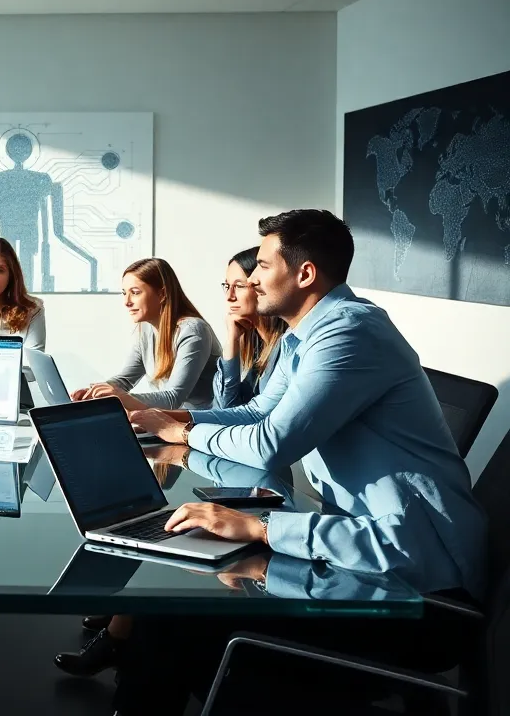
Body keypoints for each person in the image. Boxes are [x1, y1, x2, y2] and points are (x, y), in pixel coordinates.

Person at [110, 210, 487, 714]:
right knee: (175, 610)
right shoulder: (304, 336)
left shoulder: (349, 334)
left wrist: (255, 522)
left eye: (263, 266)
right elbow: (257, 412)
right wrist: (168, 418)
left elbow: (270, 443)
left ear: (305, 273)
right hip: (365, 557)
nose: (252, 280)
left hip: (418, 594)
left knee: (172, 621)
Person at [71, 257, 221, 410]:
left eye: (135, 292)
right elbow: (125, 380)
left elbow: (173, 398)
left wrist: (120, 398)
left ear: (162, 294)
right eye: (124, 293)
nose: (127, 302)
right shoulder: (146, 330)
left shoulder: (193, 330)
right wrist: (95, 393)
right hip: (169, 418)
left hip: (200, 421)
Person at [213, 247, 287, 408]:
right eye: (227, 286)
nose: (229, 296)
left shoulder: (286, 345)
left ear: (260, 287)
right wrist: (232, 341)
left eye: (239, 286)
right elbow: (227, 405)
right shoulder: (257, 344)